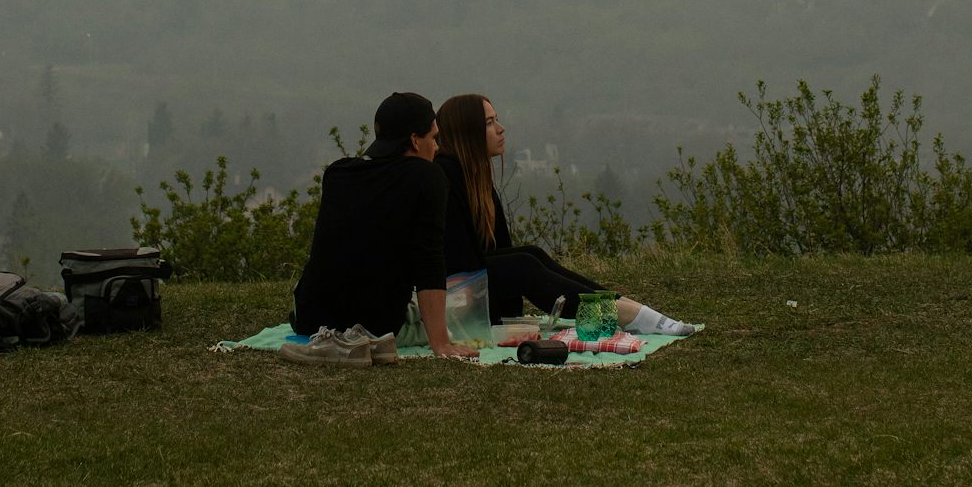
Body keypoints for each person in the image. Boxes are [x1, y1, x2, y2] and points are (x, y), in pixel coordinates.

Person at [434, 93, 693, 336]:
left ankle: (623, 308)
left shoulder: (476, 180)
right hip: (447, 297)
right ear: (467, 133)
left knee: (531, 254)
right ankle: (624, 314)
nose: (501, 129)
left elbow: (497, 250)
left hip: (467, 288)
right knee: (524, 264)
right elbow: (459, 262)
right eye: (489, 123)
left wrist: (506, 315)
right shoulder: (445, 177)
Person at [290, 92, 476, 359]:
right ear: (414, 140)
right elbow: (429, 260)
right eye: (433, 138)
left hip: (310, 318)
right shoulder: (428, 177)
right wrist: (441, 343)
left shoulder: (338, 173)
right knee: (465, 301)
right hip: (375, 326)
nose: (437, 147)